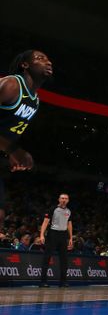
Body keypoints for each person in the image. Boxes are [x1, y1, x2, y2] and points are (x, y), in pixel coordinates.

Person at [0, 50, 53, 228]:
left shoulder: (35, 100)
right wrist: (13, 150)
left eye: (48, 59)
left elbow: (6, 135)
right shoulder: (11, 85)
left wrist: (10, 154)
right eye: (40, 58)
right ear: (25, 65)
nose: (47, 62)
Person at [38, 193, 73, 288]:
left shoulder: (69, 211)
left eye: (66, 198)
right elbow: (45, 222)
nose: (64, 200)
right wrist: (41, 235)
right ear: (59, 199)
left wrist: (70, 237)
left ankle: (63, 282)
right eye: (62, 198)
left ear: (68, 200)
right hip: (53, 234)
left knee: (64, 259)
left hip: (63, 235)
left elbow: (69, 224)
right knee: (47, 257)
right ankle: (43, 282)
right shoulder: (52, 209)